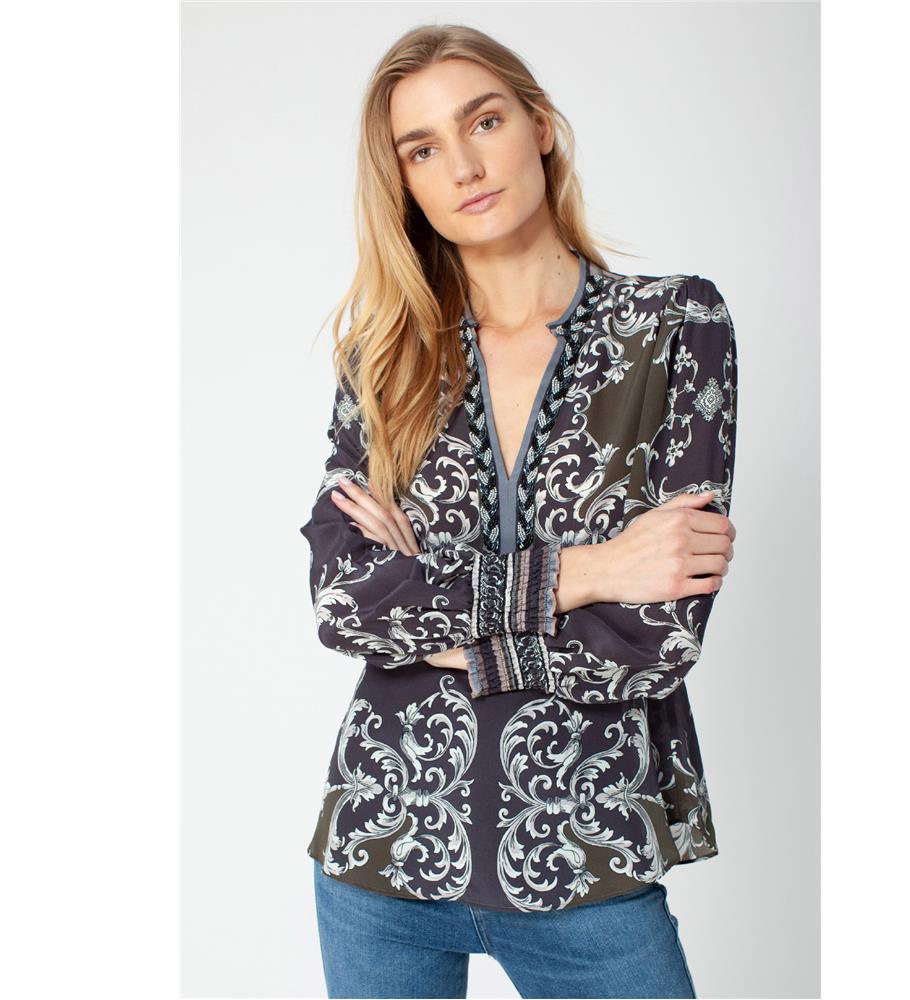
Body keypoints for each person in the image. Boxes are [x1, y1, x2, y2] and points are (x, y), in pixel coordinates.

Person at [300, 22, 738, 1000]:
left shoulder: (675, 326)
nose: (462, 165)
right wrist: (592, 571)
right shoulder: (382, 357)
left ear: (538, 126)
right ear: (403, 181)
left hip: (586, 854)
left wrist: (438, 634)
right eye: (422, 149)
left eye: (483, 121)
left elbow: (654, 639)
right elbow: (348, 603)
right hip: (381, 842)